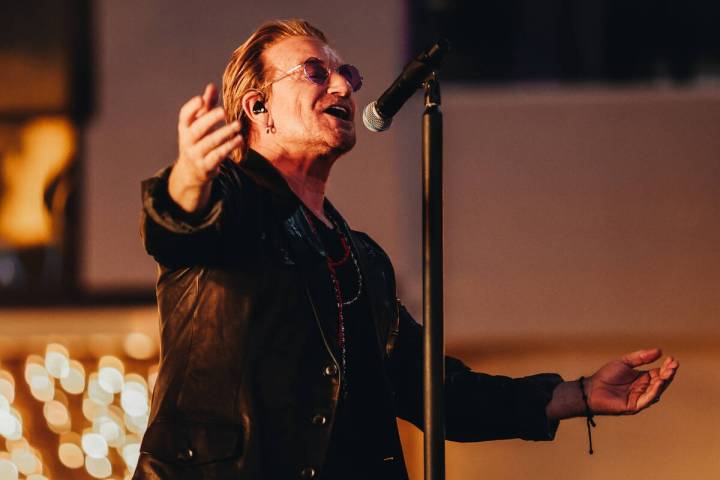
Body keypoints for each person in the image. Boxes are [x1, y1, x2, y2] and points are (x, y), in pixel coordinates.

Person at [136, 19, 678, 480]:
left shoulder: (360, 258)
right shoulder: (233, 203)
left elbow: (435, 389)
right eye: (316, 73)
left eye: (347, 75)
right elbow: (177, 225)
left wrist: (580, 394)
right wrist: (187, 177)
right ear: (258, 107)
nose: (343, 88)